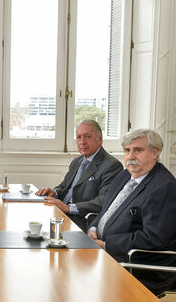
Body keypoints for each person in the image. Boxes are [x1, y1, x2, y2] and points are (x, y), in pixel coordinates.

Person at [87, 129, 176, 295]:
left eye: (138, 150)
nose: (131, 156)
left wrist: (106, 245)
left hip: (137, 265)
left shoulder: (164, 187)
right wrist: (93, 229)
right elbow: (105, 211)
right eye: (127, 150)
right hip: (107, 253)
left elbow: (153, 239)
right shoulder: (124, 175)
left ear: (154, 152)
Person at [36, 120, 123, 230]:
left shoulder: (112, 165)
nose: (82, 142)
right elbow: (64, 187)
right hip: (62, 213)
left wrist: (68, 208)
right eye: (78, 137)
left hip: (80, 219)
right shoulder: (77, 161)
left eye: (87, 137)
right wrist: (54, 192)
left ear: (99, 139)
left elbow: (103, 201)